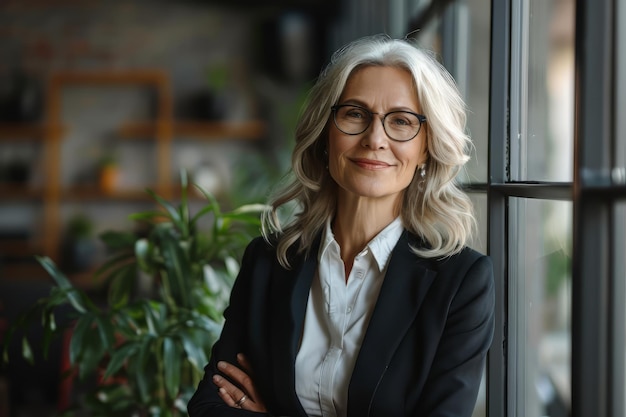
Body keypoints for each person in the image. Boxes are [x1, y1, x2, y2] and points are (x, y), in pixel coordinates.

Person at [188, 34, 495, 417]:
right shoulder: (268, 261)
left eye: (400, 121)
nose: (374, 139)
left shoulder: (461, 282)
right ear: (325, 133)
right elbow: (209, 404)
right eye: (354, 114)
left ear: (426, 149)